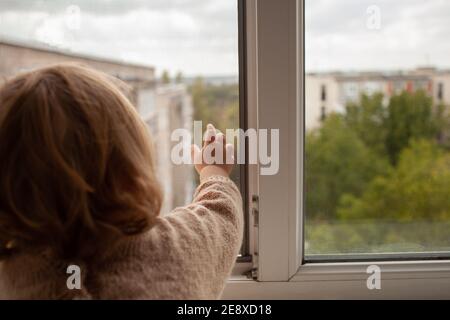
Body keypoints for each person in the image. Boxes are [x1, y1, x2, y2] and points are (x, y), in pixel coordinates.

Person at [0, 63, 243, 299]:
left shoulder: (13, 279)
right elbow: (221, 216)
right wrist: (214, 171)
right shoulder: (173, 250)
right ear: (130, 177)